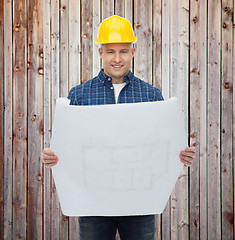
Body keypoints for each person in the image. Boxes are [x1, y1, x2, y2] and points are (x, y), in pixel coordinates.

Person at [42, 15, 196, 240]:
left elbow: (161, 146)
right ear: (100, 53)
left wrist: (180, 155)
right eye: (110, 51)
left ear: (132, 52)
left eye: (123, 51)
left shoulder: (151, 96)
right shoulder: (79, 95)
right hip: (93, 204)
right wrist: (52, 157)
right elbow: (68, 147)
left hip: (139, 204)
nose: (117, 58)